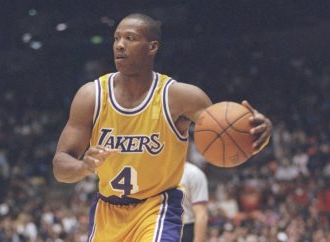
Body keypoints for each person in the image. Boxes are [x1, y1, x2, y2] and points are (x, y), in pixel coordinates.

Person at [52, 13, 273, 242]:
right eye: (116, 38)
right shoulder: (91, 96)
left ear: (152, 47)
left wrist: (257, 134)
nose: (119, 45)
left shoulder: (179, 97)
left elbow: (228, 136)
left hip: (157, 207)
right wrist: (83, 168)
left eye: (130, 38)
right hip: (107, 211)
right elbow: (60, 164)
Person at [181, 161, 209, 242]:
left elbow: (201, 214)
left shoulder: (193, 173)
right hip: (161, 225)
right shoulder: (158, 171)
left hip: (186, 226)